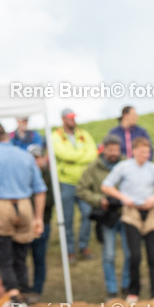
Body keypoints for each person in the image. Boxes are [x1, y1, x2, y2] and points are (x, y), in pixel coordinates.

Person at [0, 121, 46, 307]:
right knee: (21, 256)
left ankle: (15, 298)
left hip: (1, 205)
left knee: (4, 257)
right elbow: (40, 189)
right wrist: (38, 218)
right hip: (25, 205)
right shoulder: (25, 155)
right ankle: (24, 296)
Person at [100, 137, 154, 302]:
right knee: (134, 255)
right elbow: (106, 185)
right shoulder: (123, 167)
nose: (146, 154)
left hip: (150, 213)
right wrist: (123, 197)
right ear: (135, 151)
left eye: (148, 151)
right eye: (143, 151)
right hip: (131, 213)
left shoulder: (153, 168)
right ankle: (133, 292)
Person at [78, 135, 129, 300]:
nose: (114, 153)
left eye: (116, 149)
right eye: (110, 149)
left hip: (127, 214)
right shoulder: (93, 168)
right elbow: (81, 189)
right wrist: (99, 200)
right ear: (104, 149)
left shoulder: (127, 164)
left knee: (130, 253)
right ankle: (112, 291)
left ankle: (127, 288)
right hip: (107, 216)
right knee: (109, 255)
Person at [50, 108, 97, 261]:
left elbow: (93, 153)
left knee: (87, 214)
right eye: (70, 118)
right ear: (63, 119)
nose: (73, 120)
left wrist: (74, 159)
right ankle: (70, 250)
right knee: (67, 219)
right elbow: (63, 154)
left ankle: (84, 246)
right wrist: (82, 155)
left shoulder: (84, 134)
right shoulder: (55, 136)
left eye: (74, 117)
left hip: (84, 183)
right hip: (66, 183)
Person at [25, 144, 53, 301]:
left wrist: (37, 211)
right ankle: (24, 288)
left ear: (42, 158)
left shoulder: (48, 175)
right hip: (24, 222)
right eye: (32, 158)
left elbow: (50, 199)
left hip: (44, 221)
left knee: (39, 256)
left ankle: (37, 289)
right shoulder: (24, 174)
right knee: (22, 256)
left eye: (37, 157)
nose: (35, 161)